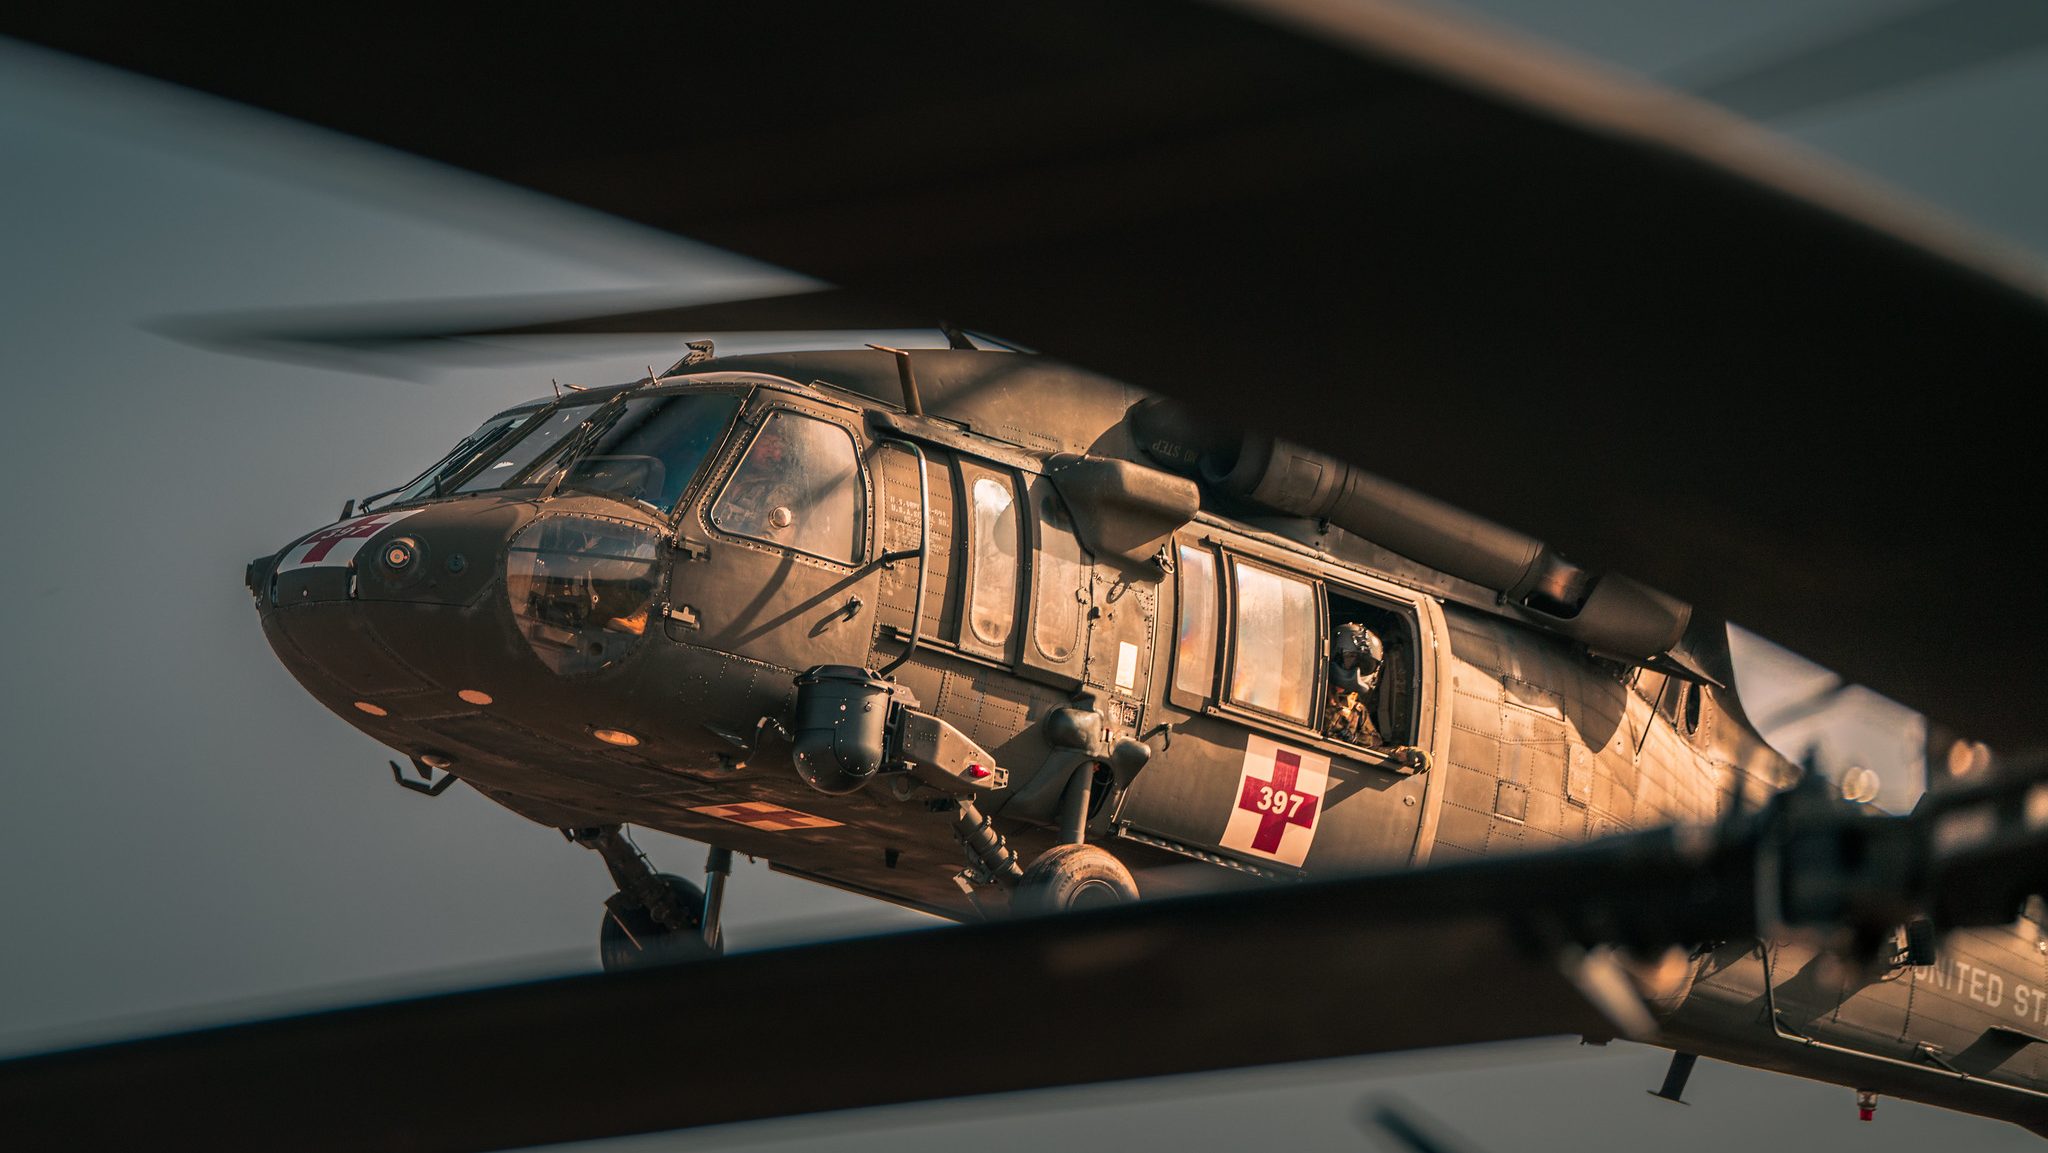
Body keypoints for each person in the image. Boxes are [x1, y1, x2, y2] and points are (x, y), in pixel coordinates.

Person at [1324, 622, 1384, 747]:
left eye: (1364, 663)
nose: (1357, 668)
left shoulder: (1358, 711)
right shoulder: (1312, 692)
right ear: (1336, 655)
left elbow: (1374, 748)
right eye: (1351, 657)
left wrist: (1402, 753)